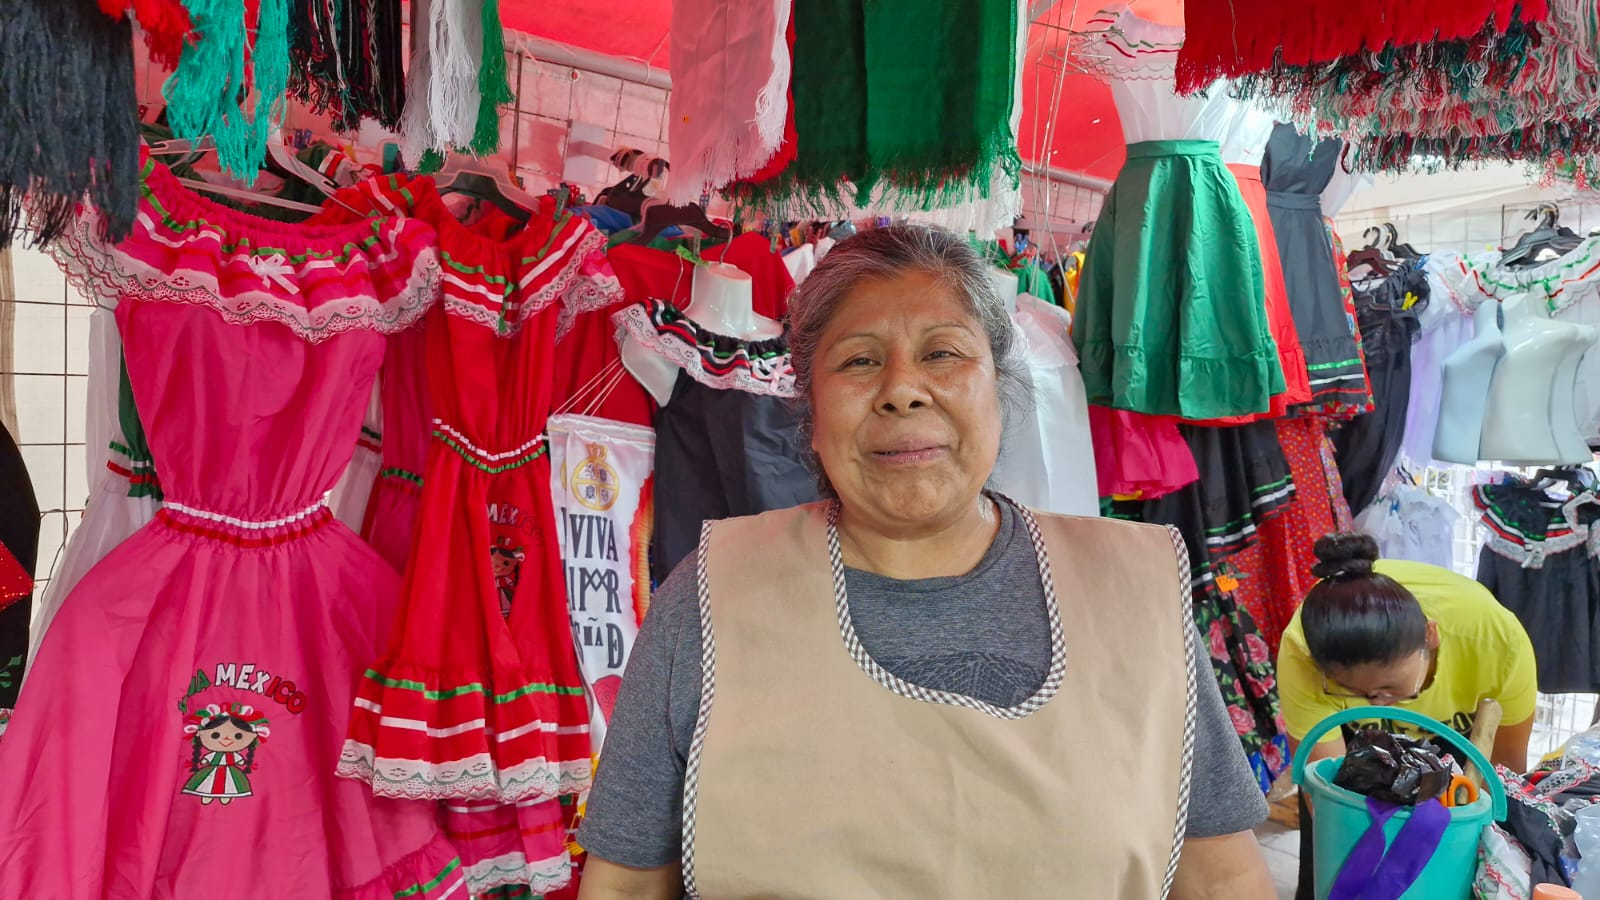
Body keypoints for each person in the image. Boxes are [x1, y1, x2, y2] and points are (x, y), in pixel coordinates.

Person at [575, 224, 1275, 899]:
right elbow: (627, 886)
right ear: (810, 412)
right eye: (859, 361)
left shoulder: (1131, 593)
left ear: (999, 388)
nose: (902, 389)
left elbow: (1220, 880)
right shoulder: (711, 596)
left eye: (943, 353)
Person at [1279, 531, 1538, 900]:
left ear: (1430, 636)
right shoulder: (1304, 652)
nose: (1377, 705)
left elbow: (1504, 776)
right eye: (1356, 692)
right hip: (1356, 746)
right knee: (1334, 872)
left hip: (1456, 734)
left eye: (1389, 688)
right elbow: (1327, 802)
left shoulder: (1497, 641)